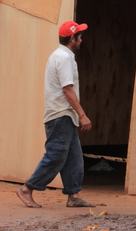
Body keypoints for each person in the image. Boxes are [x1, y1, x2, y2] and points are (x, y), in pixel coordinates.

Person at [16, 20, 95, 208]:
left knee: (73, 156)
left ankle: (73, 195)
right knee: (56, 155)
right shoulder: (64, 58)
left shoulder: (61, 55)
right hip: (61, 115)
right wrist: (82, 115)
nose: (81, 40)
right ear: (72, 38)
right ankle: (27, 189)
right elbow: (68, 89)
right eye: (80, 36)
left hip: (64, 115)